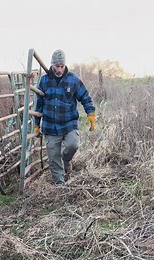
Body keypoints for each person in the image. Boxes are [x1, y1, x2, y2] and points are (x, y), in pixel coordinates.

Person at [34, 49, 95, 185]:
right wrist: (37, 125)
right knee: (53, 157)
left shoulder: (73, 80)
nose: (60, 69)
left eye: (62, 66)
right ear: (52, 65)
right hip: (50, 126)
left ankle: (66, 160)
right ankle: (60, 186)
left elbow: (85, 97)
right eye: (57, 66)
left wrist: (90, 114)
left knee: (73, 145)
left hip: (69, 124)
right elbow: (39, 105)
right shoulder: (44, 81)